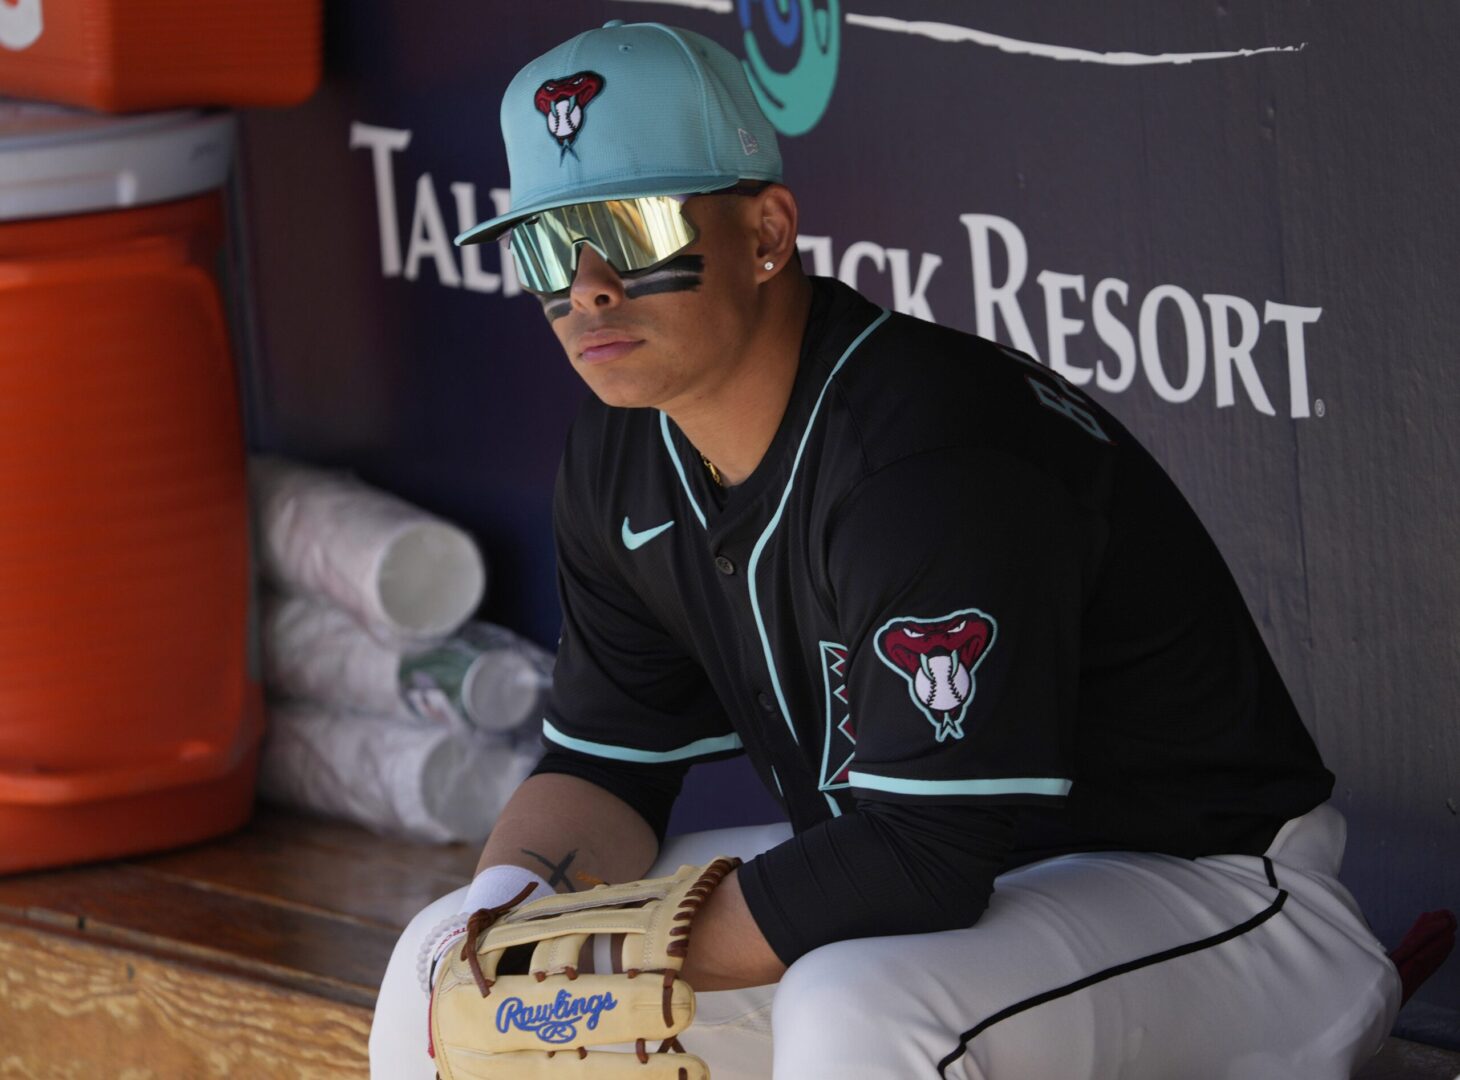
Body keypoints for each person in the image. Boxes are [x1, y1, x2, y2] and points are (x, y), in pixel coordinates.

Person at [370, 20, 1399, 1078]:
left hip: (1217, 900)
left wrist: (615, 959)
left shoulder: (926, 451)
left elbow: (925, 863)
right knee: (436, 971)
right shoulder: (620, 453)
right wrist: (505, 928)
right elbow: (603, 765)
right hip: (955, 902)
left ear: (765, 233)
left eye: (631, 229)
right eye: (547, 245)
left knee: (853, 1002)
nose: (587, 286)